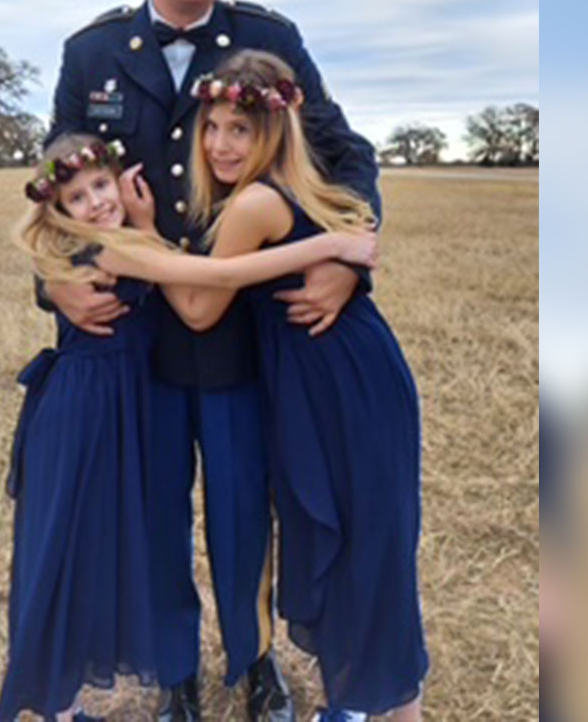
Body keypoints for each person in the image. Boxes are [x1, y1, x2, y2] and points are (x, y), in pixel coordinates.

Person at [41, 0, 380, 722]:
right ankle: (174, 670)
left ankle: (254, 659)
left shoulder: (271, 40)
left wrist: (348, 255)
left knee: (242, 512)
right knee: (154, 513)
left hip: (243, 340)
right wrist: (60, 289)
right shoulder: (92, 53)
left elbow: (348, 155)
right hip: (138, 339)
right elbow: (58, 189)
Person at [0, 133, 377, 722]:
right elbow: (220, 275)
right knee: (63, 551)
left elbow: (344, 153)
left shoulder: (104, 239)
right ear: (57, 209)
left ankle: (61, 709)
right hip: (88, 413)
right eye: (79, 196)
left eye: (102, 184)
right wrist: (328, 244)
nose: (98, 201)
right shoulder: (109, 247)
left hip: (105, 403)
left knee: (70, 548)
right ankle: (50, 705)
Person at [126, 49, 429, 721]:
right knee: (368, 546)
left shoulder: (256, 203)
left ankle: (391, 705)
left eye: (240, 128)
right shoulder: (311, 183)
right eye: (211, 126)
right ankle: (363, 699)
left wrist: (146, 234)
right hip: (354, 370)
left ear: (276, 129)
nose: (220, 144)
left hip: (332, 385)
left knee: (359, 551)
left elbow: (199, 309)